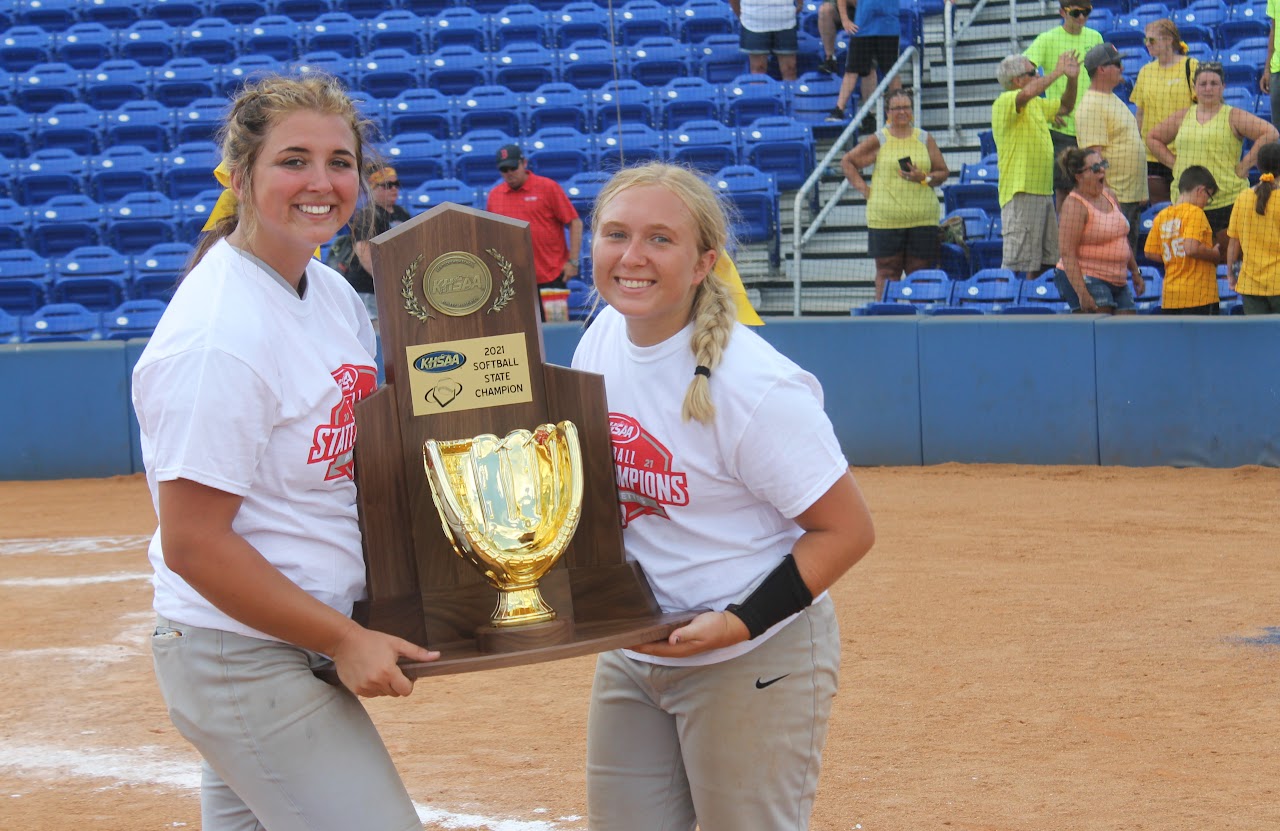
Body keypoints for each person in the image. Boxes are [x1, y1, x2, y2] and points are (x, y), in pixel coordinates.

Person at [131, 74, 438, 831]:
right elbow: (195, 543)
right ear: (240, 177)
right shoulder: (220, 336)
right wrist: (344, 638)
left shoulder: (328, 291)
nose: (322, 182)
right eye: (293, 160)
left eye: (341, 162)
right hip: (242, 655)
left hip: (290, 637)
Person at [572, 162, 875, 831]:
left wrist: (739, 620)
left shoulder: (755, 385)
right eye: (615, 233)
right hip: (635, 650)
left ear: (704, 259)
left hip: (752, 654)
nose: (632, 256)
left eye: (660, 239)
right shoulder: (599, 339)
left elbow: (847, 531)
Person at [1146, 62, 1279, 256]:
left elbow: (1271, 133)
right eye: (1203, 83)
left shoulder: (1233, 116)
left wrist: (1244, 165)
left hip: (1227, 201)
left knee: (1228, 262)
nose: (1208, 88)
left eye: (1214, 83)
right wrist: (1174, 164)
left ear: (1223, 87)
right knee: (1193, 261)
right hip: (1187, 203)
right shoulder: (1183, 116)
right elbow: (1152, 138)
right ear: (1194, 87)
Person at [840, 87, 950, 300]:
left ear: (912, 110)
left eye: (906, 107)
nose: (901, 112)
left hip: (922, 218)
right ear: (887, 112)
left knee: (920, 274)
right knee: (887, 272)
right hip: (885, 220)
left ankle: (919, 317)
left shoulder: (924, 138)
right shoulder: (879, 139)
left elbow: (943, 172)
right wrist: (865, 190)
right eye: (896, 108)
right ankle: (885, 319)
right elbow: (848, 162)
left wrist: (923, 177)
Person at [992, 51, 1081, 277]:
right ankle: (1006, 309)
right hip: (1021, 193)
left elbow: (1066, 106)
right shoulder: (1005, 101)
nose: (1037, 76)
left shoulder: (1036, 105)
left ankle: (1033, 307)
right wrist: (1057, 71)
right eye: (1033, 73)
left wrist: (1071, 78)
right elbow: (1027, 94)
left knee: (1046, 263)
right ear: (1017, 81)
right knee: (1016, 265)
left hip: (1042, 192)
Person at [485, 143, 583, 320]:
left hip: (552, 277)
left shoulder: (548, 188)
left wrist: (573, 262)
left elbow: (574, 222)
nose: (509, 173)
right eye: (504, 169)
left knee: (556, 329)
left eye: (513, 167)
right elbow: (491, 236)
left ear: (524, 163)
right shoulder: (495, 196)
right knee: (523, 334)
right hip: (514, 281)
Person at [1023, 0, 1104, 206]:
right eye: (1076, 13)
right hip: (1062, 130)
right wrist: (1046, 111)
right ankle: (1065, 237)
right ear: (1062, 12)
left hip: (1092, 127)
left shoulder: (1095, 37)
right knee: (1064, 191)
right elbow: (1022, 73)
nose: (1082, 18)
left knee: (1095, 187)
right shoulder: (1047, 39)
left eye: (1086, 12)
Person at [1075, 42, 1149, 254]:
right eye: (1117, 64)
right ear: (1102, 69)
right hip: (1114, 197)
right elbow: (1093, 156)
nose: (1122, 68)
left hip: (1129, 196)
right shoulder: (1091, 105)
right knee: (1115, 257)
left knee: (1127, 256)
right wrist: (1106, 194)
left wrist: (1141, 190)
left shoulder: (1111, 97)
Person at [1053, 146, 1146, 314]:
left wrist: (1135, 271)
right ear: (1079, 176)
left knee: (1128, 327)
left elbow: (1122, 238)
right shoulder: (1074, 205)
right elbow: (1067, 254)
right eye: (1095, 168)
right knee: (1103, 330)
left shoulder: (1110, 195)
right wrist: (1082, 293)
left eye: (1103, 164)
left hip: (1118, 280)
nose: (1102, 170)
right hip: (1088, 276)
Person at [1129, 19, 1197, 205]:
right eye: (1146, 41)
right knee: (1161, 209)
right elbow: (1140, 113)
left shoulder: (1191, 66)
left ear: (1168, 40)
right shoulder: (1145, 72)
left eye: (1151, 40)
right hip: (1153, 154)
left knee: (1187, 207)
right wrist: (1137, 146)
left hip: (1185, 151)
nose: (1147, 45)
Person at [1144, 165, 1222, 314]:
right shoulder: (1195, 213)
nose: (1207, 202)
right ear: (1200, 190)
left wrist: (1175, 257)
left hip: (1171, 297)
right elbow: (1191, 248)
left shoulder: (1162, 215)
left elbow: (1150, 252)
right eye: (1208, 196)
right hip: (1199, 295)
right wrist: (1214, 254)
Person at [343, 164, 410, 324]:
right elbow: (364, 253)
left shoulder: (402, 213)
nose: (394, 189)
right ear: (373, 188)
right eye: (387, 185)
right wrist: (388, 283)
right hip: (368, 289)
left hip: (392, 288)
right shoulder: (368, 215)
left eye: (396, 184)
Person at [826, 0, 902, 130]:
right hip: (863, 29)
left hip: (888, 28)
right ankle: (839, 110)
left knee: (892, 72)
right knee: (852, 70)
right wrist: (845, 20)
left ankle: (899, 109)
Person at [1226, 140, 1280, 313]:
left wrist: (1230, 275)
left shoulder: (1243, 197)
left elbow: (1233, 243)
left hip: (1250, 286)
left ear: (1258, 165)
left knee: (1259, 340)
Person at [729, 0, 802, 81]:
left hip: (786, 21)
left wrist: (800, 3)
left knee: (790, 69)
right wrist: (743, 16)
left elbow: (800, 5)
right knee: (758, 69)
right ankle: (760, 93)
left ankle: (791, 93)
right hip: (753, 23)